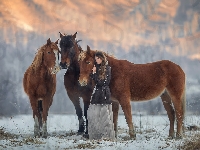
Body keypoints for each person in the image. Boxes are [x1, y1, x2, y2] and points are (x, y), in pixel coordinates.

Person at [85, 51, 115, 140]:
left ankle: (107, 136)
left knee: (105, 117)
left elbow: (102, 83)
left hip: (104, 95)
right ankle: (96, 136)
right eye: (95, 59)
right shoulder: (96, 68)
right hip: (97, 94)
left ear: (102, 58)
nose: (96, 60)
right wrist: (93, 73)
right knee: (94, 116)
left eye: (98, 58)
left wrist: (94, 74)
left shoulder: (107, 69)